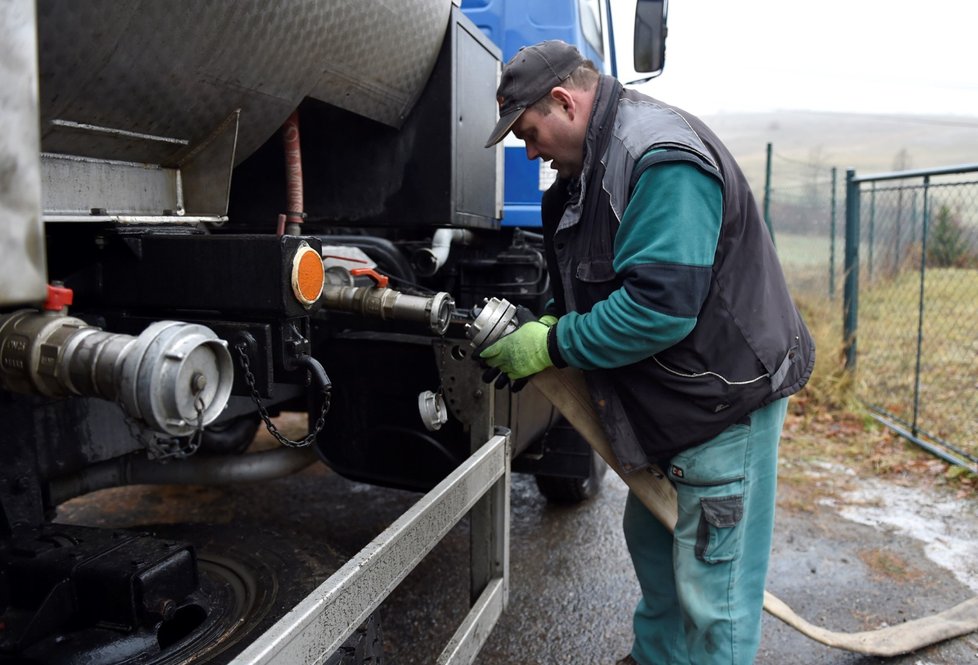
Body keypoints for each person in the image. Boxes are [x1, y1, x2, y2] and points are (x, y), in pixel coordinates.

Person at [480, 40, 815, 665]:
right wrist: (555, 322)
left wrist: (552, 343)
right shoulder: (594, 165)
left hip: (720, 401)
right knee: (653, 540)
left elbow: (659, 309)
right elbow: (604, 279)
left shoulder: (659, 160)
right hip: (672, 400)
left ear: (563, 102)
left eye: (529, 132)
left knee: (715, 592)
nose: (530, 151)